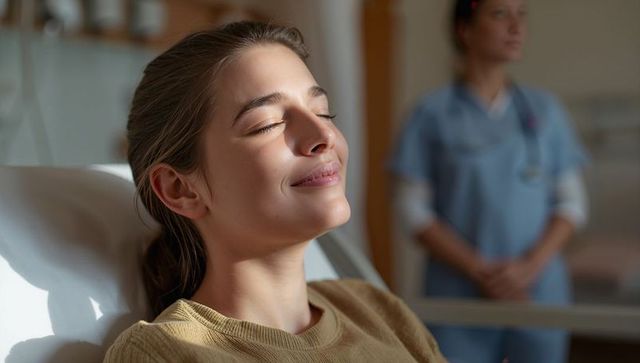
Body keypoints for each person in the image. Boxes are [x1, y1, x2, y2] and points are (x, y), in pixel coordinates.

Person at [104, 21, 445, 362]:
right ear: (181, 190)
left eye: (323, 112)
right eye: (267, 124)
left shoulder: (373, 308)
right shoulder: (166, 352)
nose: (323, 135)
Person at [389, 0, 588, 362]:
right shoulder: (430, 114)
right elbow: (411, 210)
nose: (516, 26)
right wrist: (478, 270)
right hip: (458, 292)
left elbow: (571, 204)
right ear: (464, 30)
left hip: (537, 289)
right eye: (500, 14)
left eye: (521, 15)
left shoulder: (546, 112)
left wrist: (528, 269)